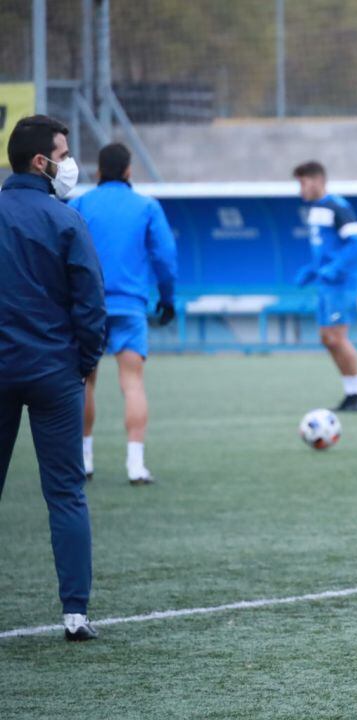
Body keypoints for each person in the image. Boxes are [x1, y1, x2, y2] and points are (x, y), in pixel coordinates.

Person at [0, 115, 107, 640]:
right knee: (65, 493)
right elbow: (91, 304)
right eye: (64, 153)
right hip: (54, 372)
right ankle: (75, 613)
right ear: (41, 162)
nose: (70, 163)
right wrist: (84, 364)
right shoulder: (66, 221)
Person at [71, 143, 177, 485]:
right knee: (132, 384)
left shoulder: (80, 204)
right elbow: (164, 257)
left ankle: (84, 461)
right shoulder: (146, 206)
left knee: (84, 382)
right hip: (130, 307)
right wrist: (168, 298)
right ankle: (135, 465)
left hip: (87, 308)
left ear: (98, 172)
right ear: (129, 170)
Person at [292, 161, 357, 412]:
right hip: (325, 284)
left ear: (316, 181)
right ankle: (351, 393)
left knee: (337, 337)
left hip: (342, 284)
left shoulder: (338, 206)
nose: (300, 189)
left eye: (302, 183)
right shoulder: (316, 210)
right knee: (327, 338)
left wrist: (335, 268)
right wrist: (311, 270)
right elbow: (324, 251)